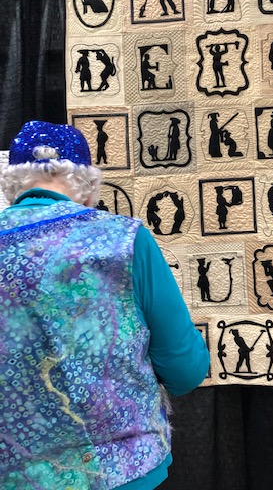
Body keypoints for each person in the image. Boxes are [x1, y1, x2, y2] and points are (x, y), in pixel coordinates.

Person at [0, 120, 210, 490]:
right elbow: (185, 370)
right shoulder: (126, 240)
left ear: (13, 185)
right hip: (122, 472)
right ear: (87, 187)